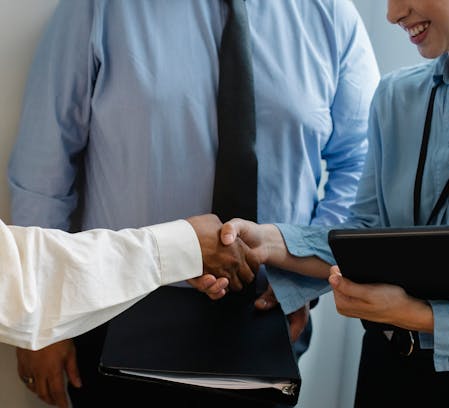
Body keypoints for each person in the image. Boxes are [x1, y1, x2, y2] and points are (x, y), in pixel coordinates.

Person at [7, 1, 379, 407]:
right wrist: (42, 322)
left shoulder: (331, 15)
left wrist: (301, 278)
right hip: (119, 318)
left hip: (264, 322)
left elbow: (363, 166)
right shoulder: (98, 8)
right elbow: (44, 163)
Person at [221, 0, 449, 406]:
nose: (392, 14)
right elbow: (364, 234)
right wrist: (271, 242)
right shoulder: (395, 96)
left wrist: (419, 316)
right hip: (387, 371)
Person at [0, 213, 254, 350]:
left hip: (257, 324)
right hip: (114, 329)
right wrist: (181, 247)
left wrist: (291, 274)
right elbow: (13, 287)